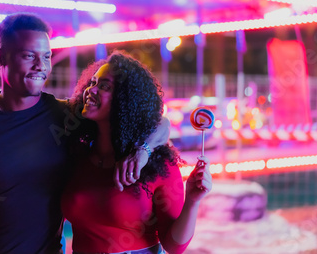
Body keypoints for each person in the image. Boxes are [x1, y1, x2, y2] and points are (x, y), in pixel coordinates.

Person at [0, 13, 169, 254]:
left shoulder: (67, 118)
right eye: (29, 56)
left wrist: (143, 150)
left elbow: (159, 123)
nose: (41, 66)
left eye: (47, 57)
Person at [62, 51, 212, 254]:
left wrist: (193, 201)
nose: (91, 90)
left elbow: (174, 247)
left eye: (104, 86)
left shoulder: (157, 164)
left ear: (127, 100)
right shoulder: (77, 154)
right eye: (93, 83)